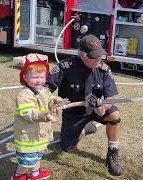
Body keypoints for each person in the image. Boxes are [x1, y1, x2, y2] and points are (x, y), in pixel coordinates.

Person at [46, 34, 123, 176]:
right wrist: (53, 100)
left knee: (114, 114)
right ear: (82, 55)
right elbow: (46, 89)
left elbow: (110, 96)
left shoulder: (103, 69)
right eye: (94, 57)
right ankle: (84, 128)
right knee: (67, 147)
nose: (98, 60)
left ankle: (112, 152)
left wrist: (104, 106)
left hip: (95, 108)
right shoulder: (65, 67)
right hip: (74, 113)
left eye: (100, 56)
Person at [11, 53, 69, 180]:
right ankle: (19, 175)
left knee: (38, 155)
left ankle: (35, 174)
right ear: (25, 77)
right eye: (35, 77)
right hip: (28, 136)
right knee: (26, 161)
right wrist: (44, 115)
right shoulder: (24, 95)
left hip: (40, 134)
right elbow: (29, 113)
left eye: (42, 77)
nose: (39, 80)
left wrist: (56, 100)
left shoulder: (44, 90)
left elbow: (48, 99)